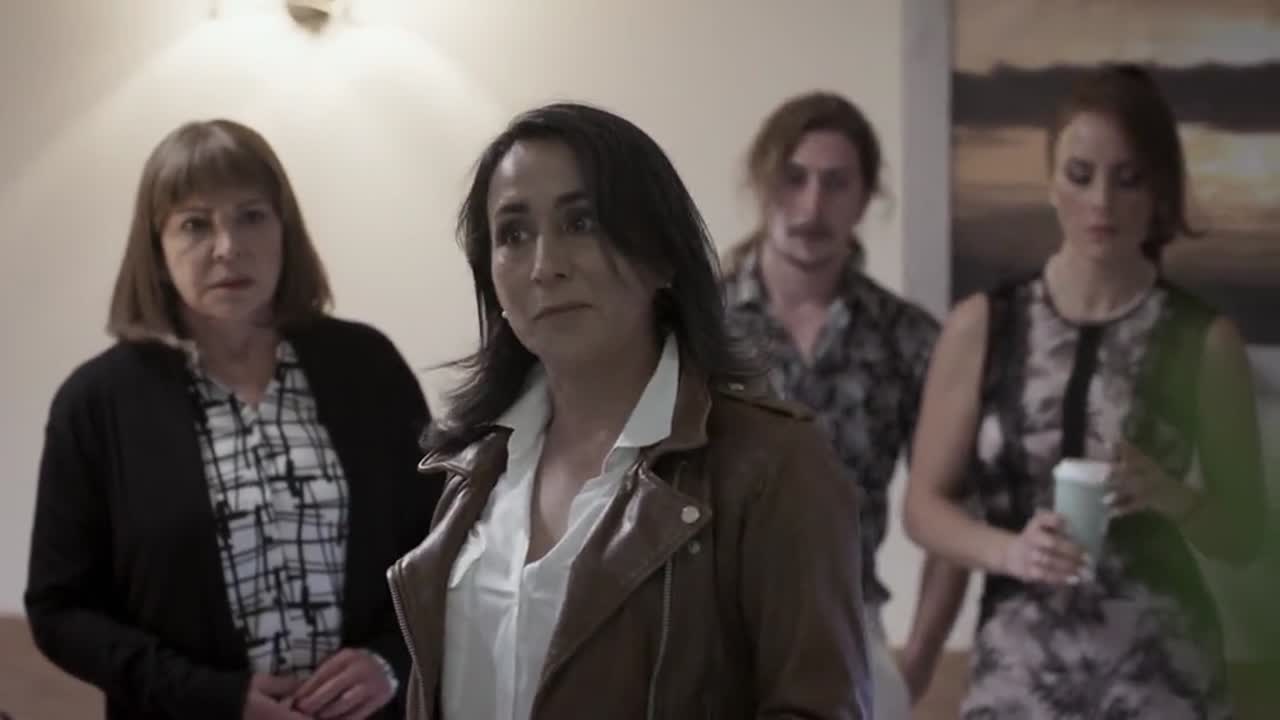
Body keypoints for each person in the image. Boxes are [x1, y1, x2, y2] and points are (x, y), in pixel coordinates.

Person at [387, 102, 870, 719]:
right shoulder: (472, 469)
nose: (546, 266)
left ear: (660, 256)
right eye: (513, 234)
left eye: (581, 222)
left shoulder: (771, 465)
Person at [25, 119, 440, 720]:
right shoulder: (95, 404)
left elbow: (442, 552)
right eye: (196, 224)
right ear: (156, 250)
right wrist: (214, 697)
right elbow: (59, 610)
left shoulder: (368, 367)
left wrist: (390, 661)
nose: (228, 246)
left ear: (284, 230)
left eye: (251, 217)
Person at [904, 64, 1266, 718]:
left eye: (1128, 179)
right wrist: (1008, 550)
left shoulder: (1203, 340)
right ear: (1051, 181)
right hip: (1017, 670)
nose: (1102, 202)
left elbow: (1243, 536)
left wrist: (1174, 496)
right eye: (1080, 175)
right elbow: (924, 508)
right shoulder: (983, 325)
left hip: (1160, 670)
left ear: (1158, 191)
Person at [721, 91, 969, 715]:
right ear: (762, 182)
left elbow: (951, 502)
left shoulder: (907, 338)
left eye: (835, 184)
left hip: (849, 627)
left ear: (864, 198)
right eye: (794, 178)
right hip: (711, 624)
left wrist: (918, 662)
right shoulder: (698, 323)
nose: (812, 207)